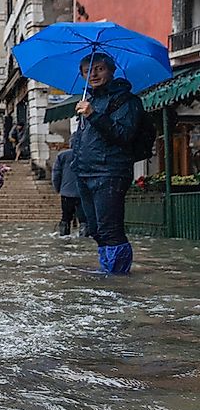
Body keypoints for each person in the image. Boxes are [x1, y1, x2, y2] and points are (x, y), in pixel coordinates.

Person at [71, 52, 143, 274]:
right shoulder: (87, 100)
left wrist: (93, 115)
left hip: (110, 172)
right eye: (87, 70)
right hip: (84, 173)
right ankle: (107, 271)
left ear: (111, 70)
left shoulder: (126, 100)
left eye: (99, 68)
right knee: (95, 230)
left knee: (110, 229)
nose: (93, 74)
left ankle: (118, 279)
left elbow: (123, 134)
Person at [51, 147, 82, 237]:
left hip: (66, 192)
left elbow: (56, 174)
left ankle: (64, 236)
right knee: (84, 219)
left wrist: (58, 188)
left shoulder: (62, 155)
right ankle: (84, 238)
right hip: (83, 192)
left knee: (66, 218)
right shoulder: (86, 153)